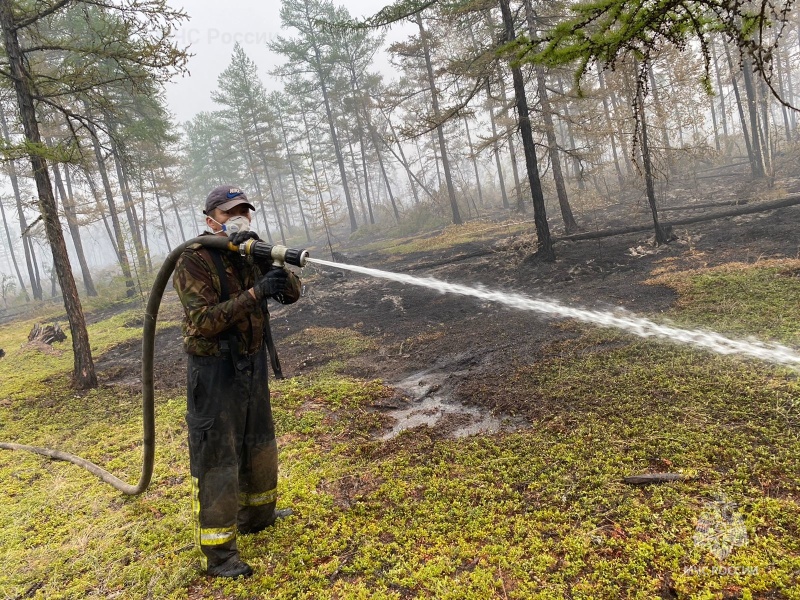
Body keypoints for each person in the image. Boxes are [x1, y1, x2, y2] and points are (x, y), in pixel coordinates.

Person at [173, 185, 302, 578]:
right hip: (214, 370)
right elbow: (205, 321)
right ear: (211, 218)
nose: (239, 218)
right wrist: (254, 292)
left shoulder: (250, 251)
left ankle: (258, 516)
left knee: (259, 442)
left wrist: (270, 265)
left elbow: (291, 294)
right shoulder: (193, 260)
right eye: (231, 213)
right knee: (219, 458)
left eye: (245, 211)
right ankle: (219, 555)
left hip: (252, 361)